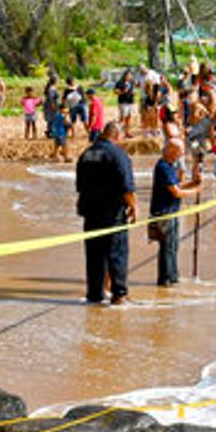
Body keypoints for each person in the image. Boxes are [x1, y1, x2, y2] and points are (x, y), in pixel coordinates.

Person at [75, 122, 136, 305]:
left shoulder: (86, 154)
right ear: (116, 135)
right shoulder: (118, 155)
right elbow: (126, 187)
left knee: (94, 256)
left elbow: (80, 187)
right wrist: (133, 207)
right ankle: (119, 294)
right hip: (113, 214)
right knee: (117, 253)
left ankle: (94, 294)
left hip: (90, 213)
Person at [150, 140, 200, 288]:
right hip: (165, 214)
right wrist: (194, 191)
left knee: (172, 246)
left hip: (171, 212)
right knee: (167, 248)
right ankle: (165, 280)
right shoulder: (163, 167)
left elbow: (176, 185)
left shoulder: (169, 167)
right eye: (180, 151)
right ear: (171, 150)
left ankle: (172, 277)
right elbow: (175, 192)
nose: (181, 154)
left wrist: (193, 183)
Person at [115, 70, 136, 136]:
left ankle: (127, 132)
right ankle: (117, 132)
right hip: (123, 102)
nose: (130, 76)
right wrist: (123, 92)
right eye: (129, 75)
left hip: (130, 102)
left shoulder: (132, 82)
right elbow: (115, 91)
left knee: (128, 118)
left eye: (131, 75)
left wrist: (133, 93)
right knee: (122, 118)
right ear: (125, 75)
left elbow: (133, 89)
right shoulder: (120, 82)